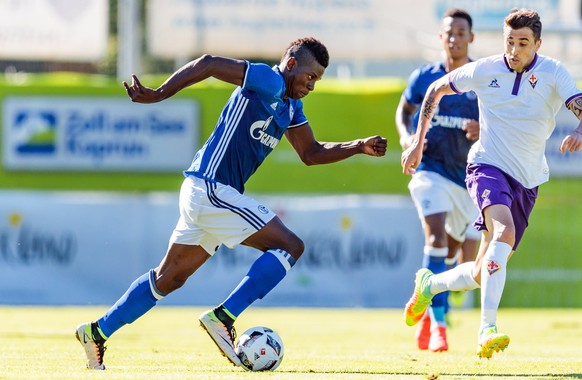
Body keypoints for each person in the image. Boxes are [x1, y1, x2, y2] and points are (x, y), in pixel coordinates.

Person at [74, 37, 387, 370]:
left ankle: (96, 332)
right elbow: (208, 63)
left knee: (168, 279)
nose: (312, 86)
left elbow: (311, 154)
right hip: (211, 188)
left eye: (318, 81)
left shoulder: (291, 107)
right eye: (310, 77)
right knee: (290, 246)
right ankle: (223, 317)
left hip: (207, 195)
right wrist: (160, 93)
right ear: (292, 64)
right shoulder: (269, 79)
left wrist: (358, 146)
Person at [401, 8, 582, 359]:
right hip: (486, 167)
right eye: (509, 42)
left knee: (485, 270)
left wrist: (578, 128)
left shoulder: (553, 72)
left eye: (523, 43)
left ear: (538, 44)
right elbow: (435, 90)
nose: (514, 50)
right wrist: (418, 142)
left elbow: (579, 103)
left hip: (527, 181)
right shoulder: (485, 69)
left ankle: (430, 284)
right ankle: (487, 328)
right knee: (504, 232)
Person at [395, 8, 480, 352]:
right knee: (435, 237)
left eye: (461, 32)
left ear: (470, 38)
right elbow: (404, 111)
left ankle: (429, 311)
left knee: (460, 262)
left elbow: (500, 124)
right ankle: (439, 329)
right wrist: (407, 138)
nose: (454, 37)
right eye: (449, 32)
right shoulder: (424, 77)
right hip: (429, 171)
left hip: (467, 180)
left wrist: (482, 131)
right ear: (441, 37)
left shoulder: (481, 79)